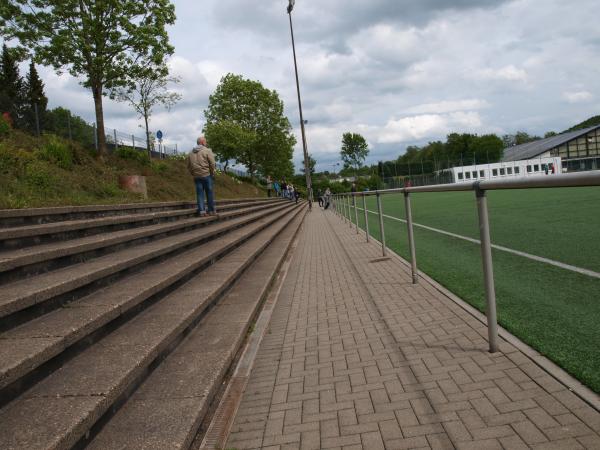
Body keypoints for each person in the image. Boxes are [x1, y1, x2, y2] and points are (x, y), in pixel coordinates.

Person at [187, 136, 216, 216]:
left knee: (199, 194)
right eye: (205, 142)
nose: (206, 143)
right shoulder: (207, 150)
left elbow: (188, 166)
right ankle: (211, 210)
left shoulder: (190, 153)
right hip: (206, 174)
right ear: (203, 142)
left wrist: (193, 173)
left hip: (196, 176)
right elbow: (212, 163)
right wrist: (212, 172)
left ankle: (202, 211)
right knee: (209, 192)